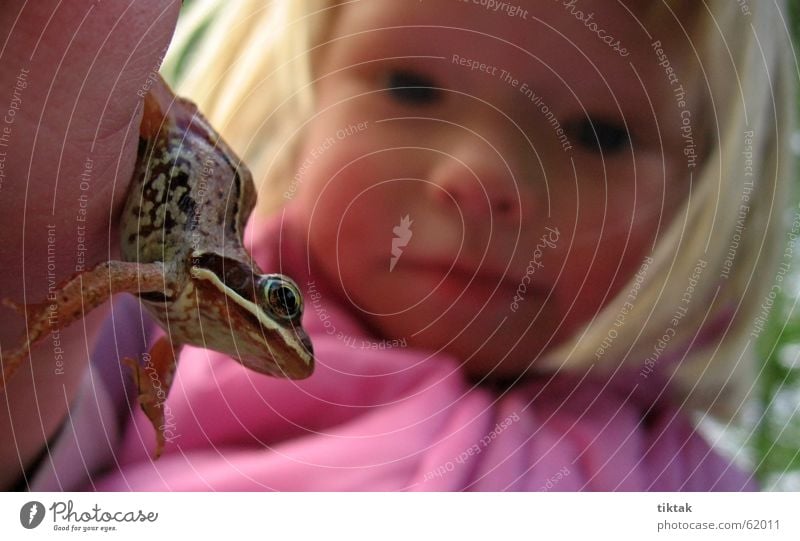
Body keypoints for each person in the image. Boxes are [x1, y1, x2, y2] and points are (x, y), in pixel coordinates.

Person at [1, 0, 793, 491]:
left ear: (712, 199)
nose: (478, 176)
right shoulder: (162, 327)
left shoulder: (692, 486)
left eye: (600, 135)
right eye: (413, 87)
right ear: (309, 97)